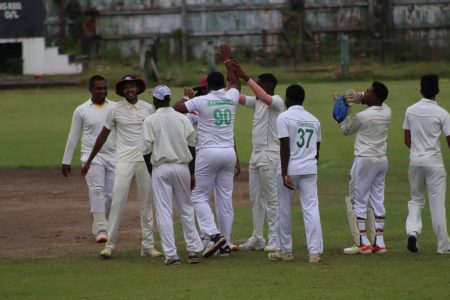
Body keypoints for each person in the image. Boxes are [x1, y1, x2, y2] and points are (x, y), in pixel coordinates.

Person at [81, 75, 162, 259]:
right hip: (124, 161)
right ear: (122, 91)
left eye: (132, 87)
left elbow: (156, 134)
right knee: (118, 201)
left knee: (146, 203)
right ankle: (110, 245)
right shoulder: (115, 109)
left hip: (145, 160)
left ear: (138, 89)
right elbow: (102, 136)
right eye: (127, 88)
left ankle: (148, 246)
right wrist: (90, 159)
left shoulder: (148, 108)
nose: (130, 90)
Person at [173, 44, 241, 257]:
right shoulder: (231, 98)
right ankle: (226, 245)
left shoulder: (202, 100)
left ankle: (213, 235)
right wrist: (227, 61)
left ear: (208, 86)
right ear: (223, 85)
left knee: (198, 196)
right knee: (225, 199)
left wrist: (187, 99)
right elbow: (236, 82)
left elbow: (176, 108)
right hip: (229, 154)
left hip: (208, 153)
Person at [142, 85, 203, 265]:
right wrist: (191, 173)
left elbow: (146, 151)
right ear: (169, 99)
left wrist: (152, 171)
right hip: (183, 166)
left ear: (156, 100)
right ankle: (192, 252)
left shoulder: (150, 120)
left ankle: (171, 255)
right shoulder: (182, 118)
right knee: (186, 209)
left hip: (161, 167)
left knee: (164, 212)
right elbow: (192, 146)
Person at [231, 62, 284, 252]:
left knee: (271, 199)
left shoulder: (276, 101)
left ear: (268, 86)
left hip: (270, 156)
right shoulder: (258, 102)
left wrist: (245, 77)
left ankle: (274, 239)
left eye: (259, 83)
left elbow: (263, 96)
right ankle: (258, 237)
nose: (256, 87)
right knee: (255, 199)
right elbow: (236, 96)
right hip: (256, 156)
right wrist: (231, 70)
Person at [268, 84, 323, 263]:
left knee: (283, 209)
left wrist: (284, 172)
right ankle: (314, 253)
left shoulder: (284, 117)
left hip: (290, 169)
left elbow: (285, 145)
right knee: (311, 209)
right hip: (310, 168)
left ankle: (285, 251)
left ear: (288, 98)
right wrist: (311, 164)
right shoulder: (314, 120)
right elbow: (317, 149)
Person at [337, 81, 391, 255]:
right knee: (377, 201)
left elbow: (345, 130)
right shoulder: (387, 111)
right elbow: (372, 99)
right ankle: (379, 243)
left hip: (365, 160)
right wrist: (360, 97)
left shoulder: (363, 116)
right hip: (381, 160)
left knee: (357, 201)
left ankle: (363, 243)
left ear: (375, 96)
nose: (364, 93)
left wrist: (343, 115)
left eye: (368, 91)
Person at [62, 75, 116, 243]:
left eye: (105, 88)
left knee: (111, 195)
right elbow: (73, 135)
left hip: (114, 156)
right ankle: (101, 229)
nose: (102, 91)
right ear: (91, 89)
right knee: (97, 191)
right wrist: (66, 160)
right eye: (99, 88)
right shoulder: (82, 110)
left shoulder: (115, 107)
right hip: (91, 157)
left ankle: (101, 221)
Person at [403, 74, 450, 254]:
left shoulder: (410, 110)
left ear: (420, 90)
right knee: (437, 204)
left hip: (415, 161)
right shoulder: (443, 114)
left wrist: (417, 153)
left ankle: (412, 232)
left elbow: (407, 139)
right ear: (437, 91)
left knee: (415, 199)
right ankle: (443, 246)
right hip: (434, 163)